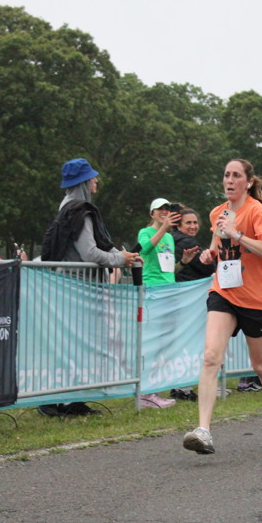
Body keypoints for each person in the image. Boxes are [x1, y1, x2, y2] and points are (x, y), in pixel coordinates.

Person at [182, 159, 262, 455]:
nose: (229, 180)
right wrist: (208, 255)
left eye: (236, 175)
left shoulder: (257, 212)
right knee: (210, 357)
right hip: (224, 292)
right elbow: (217, 248)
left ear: (248, 182)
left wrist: (238, 234)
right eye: (226, 175)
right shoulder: (218, 213)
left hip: (257, 298)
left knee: (260, 366)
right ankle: (204, 431)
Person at [38, 159, 140, 417]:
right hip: (80, 288)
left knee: (74, 345)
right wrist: (120, 259)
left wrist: (120, 255)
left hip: (72, 286)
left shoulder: (68, 207)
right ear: (83, 182)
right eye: (92, 177)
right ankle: (61, 400)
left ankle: (71, 399)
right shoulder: (80, 211)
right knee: (77, 346)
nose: (96, 180)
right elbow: (90, 253)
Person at [136, 198, 198, 408]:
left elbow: (169, 269)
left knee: (164, 343)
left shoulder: (170, 238)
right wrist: (163, 228)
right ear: (152, 213)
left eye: (167, 209)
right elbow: (144, 250)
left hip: (169, 291)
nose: (164, 212)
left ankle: (154, 391)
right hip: (153, 292)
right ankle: (146, 393)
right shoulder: (145, 232)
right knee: (153, 343)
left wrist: (184, 263)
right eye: (160, 209)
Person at [172, 207, 214, 283]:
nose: (193, 226)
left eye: (195, 222)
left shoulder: (171, 239)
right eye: (188, 223)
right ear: (178, 225)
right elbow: (209, 268)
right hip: (190, 286)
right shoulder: (188, 243)